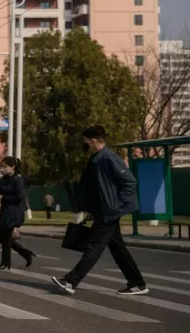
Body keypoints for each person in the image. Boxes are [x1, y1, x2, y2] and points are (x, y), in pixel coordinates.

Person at [52, 126, 148, 295]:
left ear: (93, 140)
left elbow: (130, 181)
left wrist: (117, 205)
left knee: (94, 247)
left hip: (109, 212)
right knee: (118, 249)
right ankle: (138, 283)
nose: (85, 145)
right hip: (101, 210)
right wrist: (90, 209)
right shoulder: (97, 157)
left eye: (86, 142)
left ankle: (70, 281)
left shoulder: (108, 157)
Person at [0, 156, 36, 270]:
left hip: (14, 212)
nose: (2, 169)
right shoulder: (2, 180)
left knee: (6, 239)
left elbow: (19, 197)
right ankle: (26, 254)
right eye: (1, 167)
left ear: (12, 167)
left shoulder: (17, 180)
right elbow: (1, 193)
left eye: (5, 167)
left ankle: (5, 263)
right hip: (5, 211)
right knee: (5, 239)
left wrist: (5, 198)